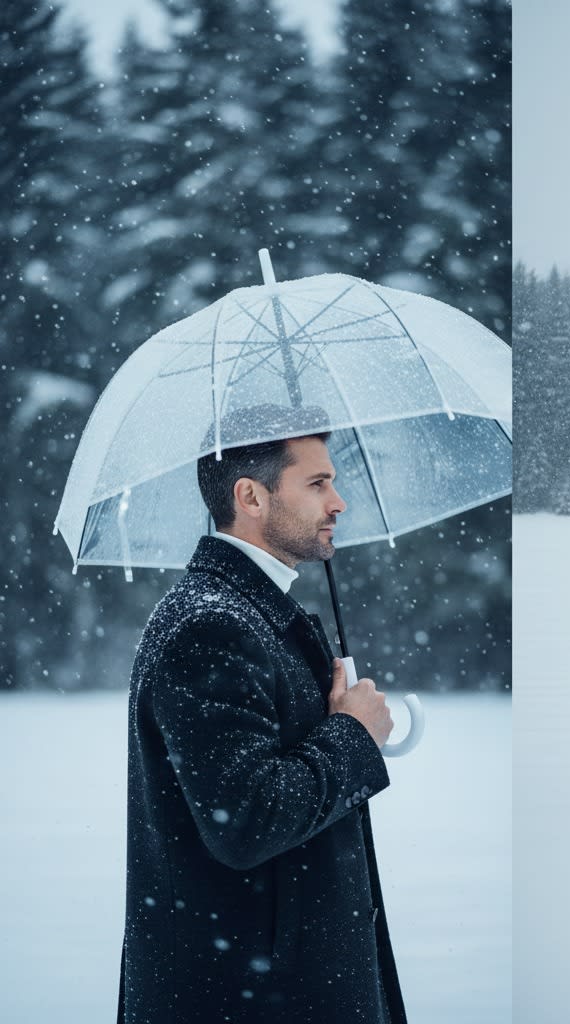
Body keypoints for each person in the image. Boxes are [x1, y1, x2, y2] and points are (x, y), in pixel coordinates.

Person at [117, 405, 405, 1024]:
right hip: (250, 994)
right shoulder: (211, 626)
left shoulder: (245, 612)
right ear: (250, 496)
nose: (339, 503)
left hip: (271, 979)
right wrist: (352, 734)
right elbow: (248, 819)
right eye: (318, 483)